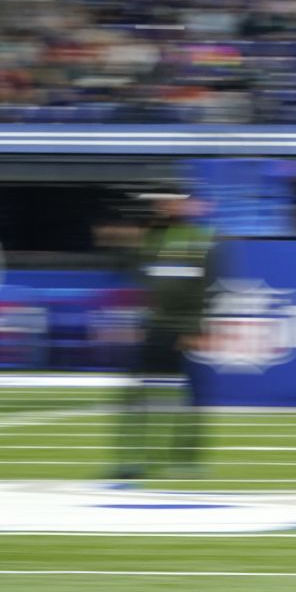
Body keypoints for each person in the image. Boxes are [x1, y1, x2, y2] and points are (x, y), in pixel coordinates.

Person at [109, 189, 215, 480]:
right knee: (136, 396)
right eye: (163, 201)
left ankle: (185, 459)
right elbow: (145, 284)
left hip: (182, 329)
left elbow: (206, 288)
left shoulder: (204, 240)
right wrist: (140, 324)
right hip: (155, 327)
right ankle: (131, 460)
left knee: (188, 399)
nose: (165, 205)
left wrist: (196, 328)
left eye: (174, 200)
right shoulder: (153, 239)